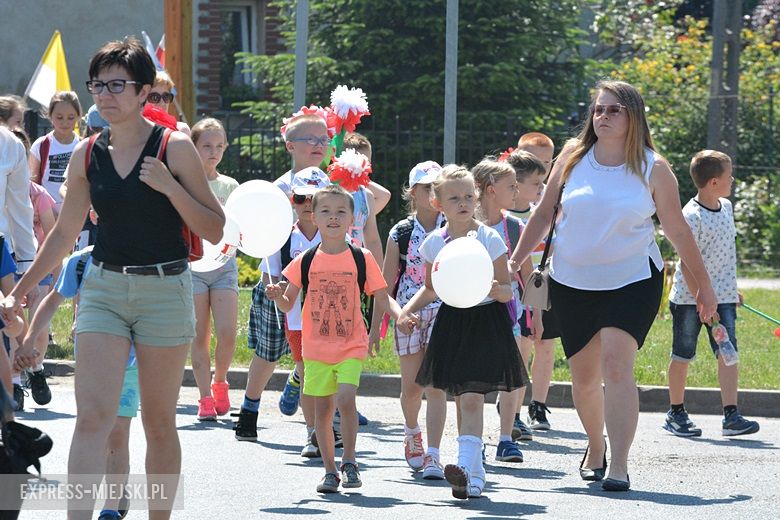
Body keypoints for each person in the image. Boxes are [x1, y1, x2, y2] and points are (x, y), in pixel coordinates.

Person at [1, 37, 224, 518]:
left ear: (144, 91)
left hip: (165, 289)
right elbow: (61, 236)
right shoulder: (85, 153)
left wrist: (169, 187)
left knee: (161, 422)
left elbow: (214, 226)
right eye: (98, 85)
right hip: (102, 289)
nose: (105, 94)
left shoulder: (175, 146)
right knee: (93, 418)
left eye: (117, 85)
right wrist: (18, 292)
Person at [509, 80, 718, 492]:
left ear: (633, 116)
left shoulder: (653, 167)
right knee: (585, 379)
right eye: (598, 109)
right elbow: (544, 214)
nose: (602, 116)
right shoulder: (572, 156)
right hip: (572, 282)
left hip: (631, 281)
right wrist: (514, 261)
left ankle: (619, 464)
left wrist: (704, 288)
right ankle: (595, 446)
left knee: (618, 368)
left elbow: (677, 230)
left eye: (613, 110)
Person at [399, 165, 527, 499]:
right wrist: (407, 312)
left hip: (486, 323)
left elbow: (506, 289)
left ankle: (466, 469)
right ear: (438, 202)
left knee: (471, 401)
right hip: (452, 324)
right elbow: (429, 288)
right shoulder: (432, 243)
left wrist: (487, 287)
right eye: (454, 197)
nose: (463, 202)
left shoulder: (489, 237)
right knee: (456, 397)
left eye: (469, 196)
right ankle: (475, 477)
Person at [266, 183, 403, 493]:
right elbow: (289, 303)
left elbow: (381, 297)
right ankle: (330, 471)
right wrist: (277, 296)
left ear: (352, 218)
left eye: (341, 211)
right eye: (325, 211)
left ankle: (350, 460)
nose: (333, 217)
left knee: (346, 399)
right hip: (315, 348)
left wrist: (401, 316)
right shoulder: (305, 259)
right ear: (313, 216)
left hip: (350, 344)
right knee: (323, 413)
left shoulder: (361, 256)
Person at [23, 246, 138, 520]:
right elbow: (52, 300)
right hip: (92, 362)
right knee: (94, 432)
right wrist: (29, 339)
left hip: (131, 363)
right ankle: (99, 497)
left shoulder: (141, 253)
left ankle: (110, 508)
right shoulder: (81, 260)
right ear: (95, 215)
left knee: (118, 434)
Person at [245, 113, 329, 457]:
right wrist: (276, 286)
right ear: (290, 145)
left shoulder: (331, 186)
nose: (319, 145)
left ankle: (320, 426)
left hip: (321, 296)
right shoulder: (279, 191)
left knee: (311, 360)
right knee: (267, 353)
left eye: (325, 140)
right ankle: (249, 409)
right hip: (279, 286)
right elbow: (267, 241)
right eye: (311, 139)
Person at [665, 150, 760, 438]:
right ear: (714, 182)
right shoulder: (691, 216)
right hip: (689, 300)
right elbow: (686, 261)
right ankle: (676, 412)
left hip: (723, 298)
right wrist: (702, 299)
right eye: (729, 175)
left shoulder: (727, 207)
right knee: (683, 354)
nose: (733, 180)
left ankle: (731, 415)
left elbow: (724, 254)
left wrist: (731, 290)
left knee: (728, 353)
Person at [369, 160, 448, 479]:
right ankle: (412, 431)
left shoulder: (454, 229)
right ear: (412, 192)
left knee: (438, 387)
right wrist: (380, 325)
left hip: (445, 313)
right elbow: (384, 285)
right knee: (413, 387)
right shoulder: (400, 233)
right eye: (426, 187)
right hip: (408, 315)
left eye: (437, 188)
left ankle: (434, 454)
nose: (432, 193)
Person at [473, 158, 534, 463]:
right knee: (472, 377)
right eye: (511, 186)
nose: (517, 191)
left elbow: (527, 273)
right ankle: (472, 440)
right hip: (469, 311)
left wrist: (534, 313)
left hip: (508, 311)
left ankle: (506, 438)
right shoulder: (462, 224)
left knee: (510, 375)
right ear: (490, 189)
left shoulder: (514, 225)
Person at [505, 149, 560, 434]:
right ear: (516, 184)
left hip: (543, 288)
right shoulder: (504, 219)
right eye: (537, 184)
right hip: (516, 293)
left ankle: (537, 404)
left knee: (545, 347)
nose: (542, 189)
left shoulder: (543, 215)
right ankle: (513, 413)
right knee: (520, 350)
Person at [188, 117, 240, 420]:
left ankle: (220, 381)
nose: (213, 151)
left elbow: (238, 225)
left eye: (219, 146)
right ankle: (205, 396)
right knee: (199, 335)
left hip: (223, 266)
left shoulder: (229, 185)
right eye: (206, 145)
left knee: (227, 332)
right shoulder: (185, 182)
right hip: (193, 266)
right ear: (193, 147)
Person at [0, 126, 37, 410]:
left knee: (8, 328)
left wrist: (28, 267)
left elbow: (20, 207)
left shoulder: (9, 143)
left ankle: (8, 425)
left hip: (1, 250)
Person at [29, 91, 83, 212]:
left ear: (79, 117)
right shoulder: (41, 145)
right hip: (46, 214)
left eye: (71, 117)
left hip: (76, 214)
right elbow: (32, 185)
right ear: (50, 115)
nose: (65, 122)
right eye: (59, 117)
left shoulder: (83, 146)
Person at [343, 132, 391, 213]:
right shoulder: (328, 185)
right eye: (355, 163)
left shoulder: (364, 196)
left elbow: (385, 195)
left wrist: (360, 180)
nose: (360, 168)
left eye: (365, 163)